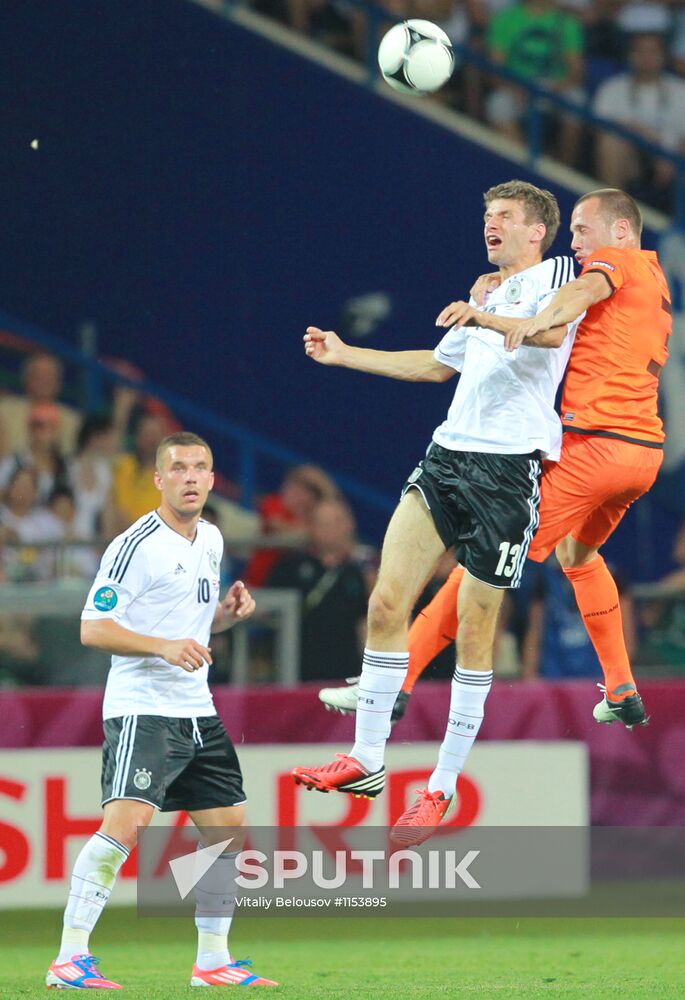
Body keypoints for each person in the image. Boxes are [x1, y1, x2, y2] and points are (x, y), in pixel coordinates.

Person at [291, 179, 580, 845]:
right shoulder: (484, 292)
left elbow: (549, 332)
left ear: (537, 230)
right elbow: (433, 368)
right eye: (486, 216)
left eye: (505, 216)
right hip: (446, 458)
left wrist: (481, 314)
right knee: (388, 601)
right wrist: (344, 355)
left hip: (508, 472)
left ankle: (440, 788)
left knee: (474, 634)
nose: (492, 225)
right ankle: (365, 759)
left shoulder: (554, 275)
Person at [322, 188, 669, 735]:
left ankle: (395, 683)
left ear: (622, 230)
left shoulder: (611, 263)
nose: (577, 244)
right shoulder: (653, 277)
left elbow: (577, 291)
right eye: (573, 233)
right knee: (579, 557)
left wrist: (526, 320)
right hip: (643, 452)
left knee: (483, 567)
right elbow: (446, 361)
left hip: (595, 445)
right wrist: (498, 297)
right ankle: (623, 688)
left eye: (584, 231)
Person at [45, 431, 276, 989]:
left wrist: (223, 616)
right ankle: (69, 958)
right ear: (159, 479)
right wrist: (162, 647)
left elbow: (188, 628)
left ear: (213, 478)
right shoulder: (135, 545)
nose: (191, 477)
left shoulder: (213, 540)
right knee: (126, 825)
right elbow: (92, 627)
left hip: (196, 708)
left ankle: (212, 961)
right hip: (142, 708)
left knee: (228, 829)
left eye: (200, 467)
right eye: (178, 468)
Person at [267, 496, 368, 681]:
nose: (330, 529)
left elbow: (363, 623)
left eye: (336, 522)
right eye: (323, 523)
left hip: (346, 675)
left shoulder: (355, 572)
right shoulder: (290, 566)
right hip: (297, 674)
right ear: (311, 526)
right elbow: (267, 613)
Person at [592, 34, 685, 212]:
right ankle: (615, 215)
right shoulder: (611, 89)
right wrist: (642, 133)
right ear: (630, 56)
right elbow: (601, 129)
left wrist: (671, 157)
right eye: (640, 51)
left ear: (663, 57)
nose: (646, 57)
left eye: (653, 52)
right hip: (633, 159)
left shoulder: (681, 90)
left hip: (674, 159)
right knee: (611, 143)